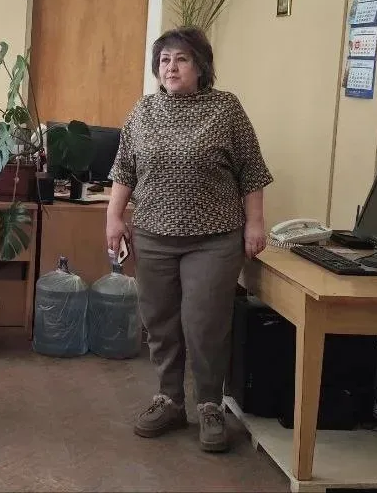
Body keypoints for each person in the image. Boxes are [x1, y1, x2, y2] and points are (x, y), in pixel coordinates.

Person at [105, 26, 272, 454]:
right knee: (159, 321)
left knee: (204, 323)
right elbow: (124, 169)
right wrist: (114, 217)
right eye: (164, 60)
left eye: (181, 59)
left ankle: (210, 405)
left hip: (213, 238)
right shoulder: (143, 111)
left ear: (201, 66)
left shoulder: (225, 108)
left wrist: (255, 224)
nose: (171, 67)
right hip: (153, 234)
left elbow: (251, 171)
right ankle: (169, 400)